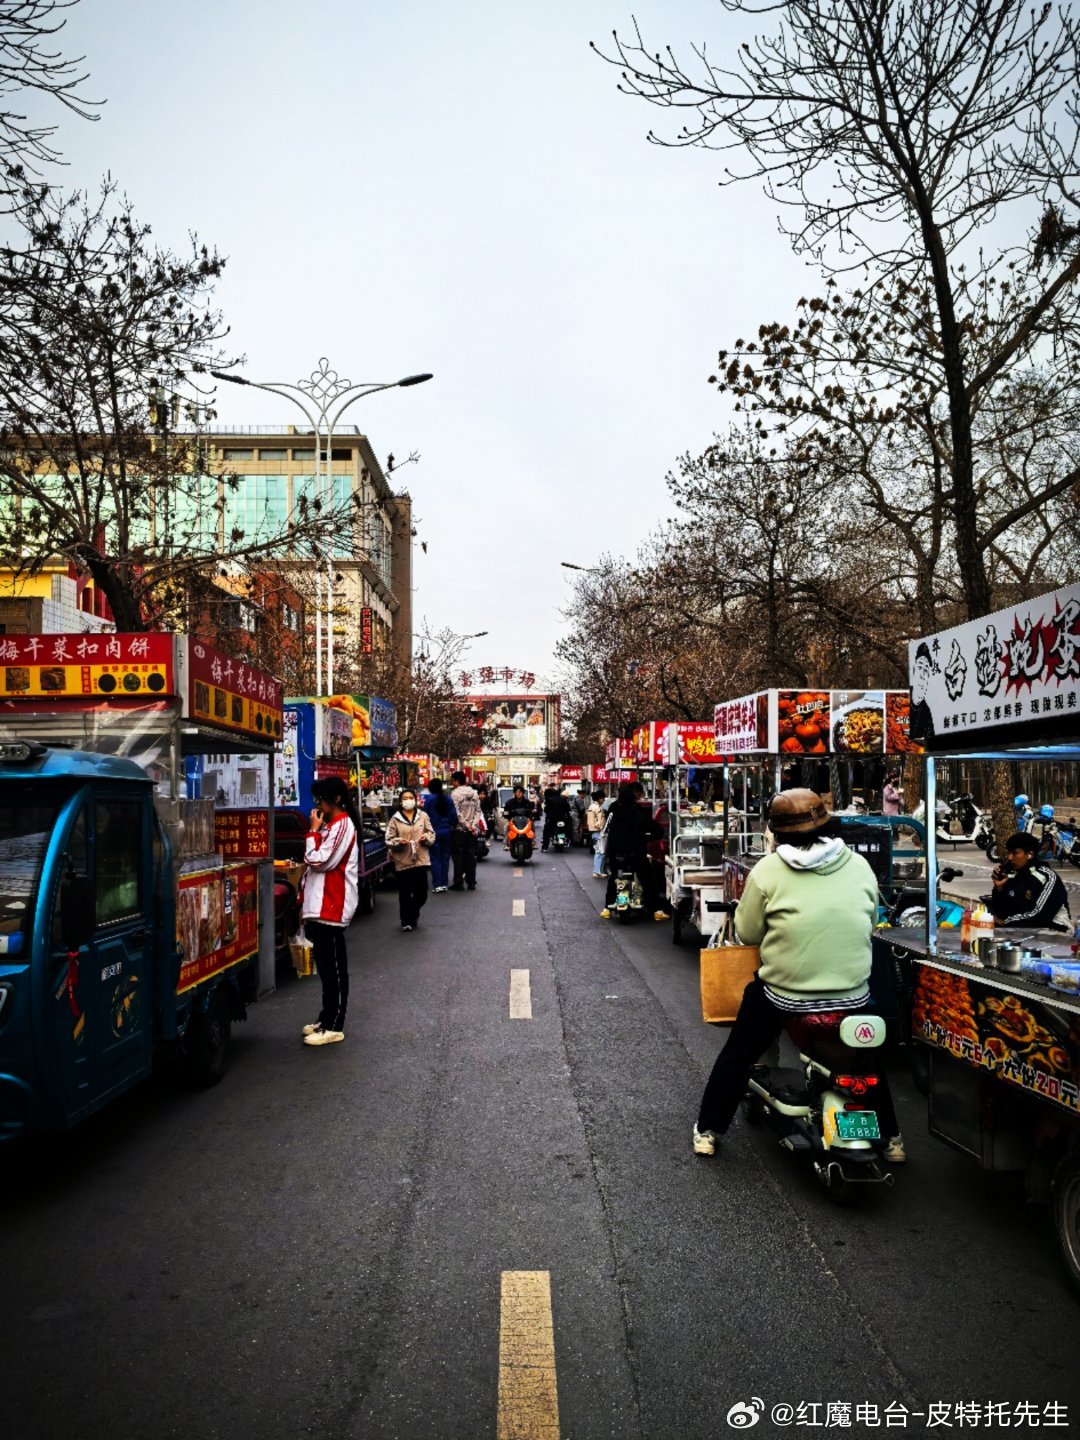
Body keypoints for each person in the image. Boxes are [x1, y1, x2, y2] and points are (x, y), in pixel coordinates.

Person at [692, 789, 905, 1160]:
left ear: (777, 832)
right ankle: (893, 1140)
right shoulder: (857, 865)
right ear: (825, 823)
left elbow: (748, 933)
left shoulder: (768, 871)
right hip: (851, 995)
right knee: (863, 1058)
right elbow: (871, 920)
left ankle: (708, 1129)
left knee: (739, 1053)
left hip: (783, 995)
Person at [301, 775, 361, 1047]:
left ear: (336, 799)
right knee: (326, 967)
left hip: (333, 905)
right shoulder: (331, 825)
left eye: (322, 800)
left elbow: (319, 860)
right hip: (321, 906)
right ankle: (326, 1018)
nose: (319, 805)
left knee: (334, 968)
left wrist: (312, 833)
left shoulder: (342, 826)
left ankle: (334, 1024)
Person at [600, 782, 666, 922]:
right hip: (636, 854)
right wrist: (654, 835)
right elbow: (654, 828)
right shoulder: (638, 812)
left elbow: (607, 828)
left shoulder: (613, 810)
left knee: (614, 878)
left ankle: (607, 909)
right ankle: (656, 910)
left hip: (616, 853)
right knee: (648, 880)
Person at [987, 833, 1071, 930]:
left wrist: (1006, 922)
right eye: (1009, 853)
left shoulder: (1047, 877)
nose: (1010, 858)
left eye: (1015, 853)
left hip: (1054, 930)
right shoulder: (1012, 874)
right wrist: (999, 889)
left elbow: (1040, 916)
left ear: (1029, 854)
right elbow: (1002, 912)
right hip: (1021, 928)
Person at [386, 788, 435, 931]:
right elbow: (388, 839)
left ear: (415, 800)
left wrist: (427, 838)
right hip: (403, 861)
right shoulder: (395, 819)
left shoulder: (423, 816)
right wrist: (398, 842)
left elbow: (431, 833)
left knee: (422, 894)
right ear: (401, 802)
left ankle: (413, 913)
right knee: (405, 893)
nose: (408, 800)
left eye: (410, 797)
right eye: (405, 798)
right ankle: (406, 921)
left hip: (421, 860)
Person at [422, 777, 457, 892]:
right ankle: (444, 884)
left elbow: (425, 817)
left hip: (434, 832)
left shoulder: (429, 800)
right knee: (445, 858)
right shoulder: (448, 799)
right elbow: (453, 816)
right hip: (447, 832)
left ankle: (437, 885)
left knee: (435, 858)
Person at [449, 770, 481, 891]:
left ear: (457, 781)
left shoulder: (454, 794)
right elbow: (478, 811)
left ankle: (458, 882)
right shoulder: (474, 793)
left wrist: (466, 825)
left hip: (459, 830)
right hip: (472, 831)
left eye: (453, 781)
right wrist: (473, 825)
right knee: (470, 856)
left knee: (458, 857)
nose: (452, 783)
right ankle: (471, 882)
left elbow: (456, 814)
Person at [542, 786, 573, 851]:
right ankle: (568, 840)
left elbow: (546, 809)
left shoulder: (550, 800)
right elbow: (568, 809)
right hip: (562, 819)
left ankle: (545, 846)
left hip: (552, 819)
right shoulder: (563, 800)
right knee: (567, 828)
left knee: (546, 832)